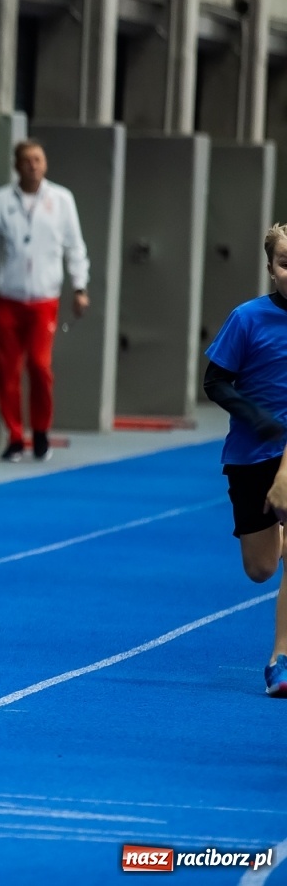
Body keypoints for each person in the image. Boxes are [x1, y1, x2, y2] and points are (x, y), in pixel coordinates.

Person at [204, 223, 287, 697]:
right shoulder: (248, 318)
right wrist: (255, 416)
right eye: (285, 264)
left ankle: (280, 659)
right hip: (252, 454)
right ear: (271, 268)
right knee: (260, 569)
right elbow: (215, 381)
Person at [0, 139, 90, 462]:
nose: (33, 166)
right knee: (8, 370)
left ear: (45, 164)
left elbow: (74, 247)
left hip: (43, 298)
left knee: (39, 365)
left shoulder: (61, 200)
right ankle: (14, 436)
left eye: (38, 159)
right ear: (16, 166)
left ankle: (40, 431)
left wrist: (80, 287)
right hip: (9, 297)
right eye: (27, 160)